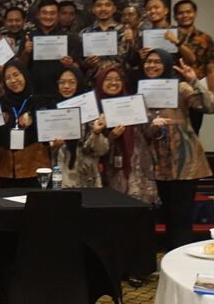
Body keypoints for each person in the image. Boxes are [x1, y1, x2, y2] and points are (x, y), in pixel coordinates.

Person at [143, 49, 213, 248]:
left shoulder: (181, 87)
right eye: (148, 62)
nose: (152, 65)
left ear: (165, 64)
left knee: (181, 216)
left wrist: (193, 81)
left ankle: (180, 259)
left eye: (157, 61)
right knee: (168, 214)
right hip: (159, 160)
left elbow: (209, 107)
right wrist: (152, 126)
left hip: (184, 160)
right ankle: (170, 259)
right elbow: (143, 130)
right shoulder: (142, 91)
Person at [95, 66, 157, 205]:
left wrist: (155, 125)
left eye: (118, 79)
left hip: (137, 165)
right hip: (110, 168)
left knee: (139, 210)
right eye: (108, 79)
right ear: (100, 82)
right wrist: (110, 136)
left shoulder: (134, 103)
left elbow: (147, 132)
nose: (114, 83)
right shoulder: (94, 109)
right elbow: (92, 148)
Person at [0, 60, 51, 188]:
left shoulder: (38, 102)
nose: (13, 80)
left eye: (16, 75)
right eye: (8, 78)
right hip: (5, 172)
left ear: (25, 75)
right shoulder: (1, 103)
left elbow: (46, 135)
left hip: (34, 170)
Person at [49, 66, 109, 188]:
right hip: (60, 177)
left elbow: (101, 150)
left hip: (86, 178)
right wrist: (53, 147)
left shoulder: (90, 111)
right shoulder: (51, 110)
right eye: (62, 82)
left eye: (72, 82)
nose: (66, 86)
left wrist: (96, 133)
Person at [20, 0, 81, 98]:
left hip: (62, 92)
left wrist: (70, 64)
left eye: (52, 13)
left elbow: (78, 68)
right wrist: (26, 52)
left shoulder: (70, 38)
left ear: (58, 16)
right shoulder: (28, 37)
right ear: (38, 15)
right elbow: (21, 67)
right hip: (34, 92)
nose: (48, 17)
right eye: (44, 13)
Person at [173, 0, 214, 134]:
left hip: (196, 91)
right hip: (174, 92)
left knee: (194, 131)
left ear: (195, 14)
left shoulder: (205, 39)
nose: (185, 15)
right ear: (175, 17)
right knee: (174, 132)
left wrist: (211, 93)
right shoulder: (168, 37)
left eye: (188, 12)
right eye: (180, 13)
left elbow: (210, 68)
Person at [80, 0, 135, 81]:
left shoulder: (124, 32)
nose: (103, 9)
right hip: (93, 82)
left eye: (107, 5)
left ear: (114, 9)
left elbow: (132, 61)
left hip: (118, 82)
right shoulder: (85, 33)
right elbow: (79, 63)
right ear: (93, 9)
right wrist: (87, 64)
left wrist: (132, 43)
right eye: (99, 5)